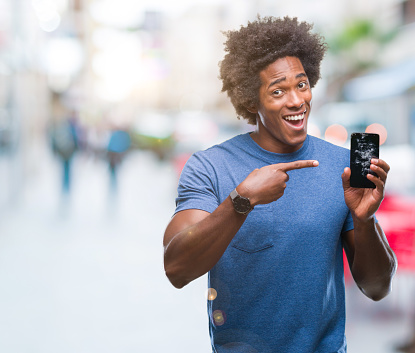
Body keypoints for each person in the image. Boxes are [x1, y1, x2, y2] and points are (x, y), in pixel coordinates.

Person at [163, 16, 397, 353]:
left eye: (301, 85)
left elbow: (377, 288)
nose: (296, 101)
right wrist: (241, 201)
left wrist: (364, 219)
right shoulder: (210, 167)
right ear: (250, 101)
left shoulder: (342, 167)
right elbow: (177, 269)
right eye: (278, 90)